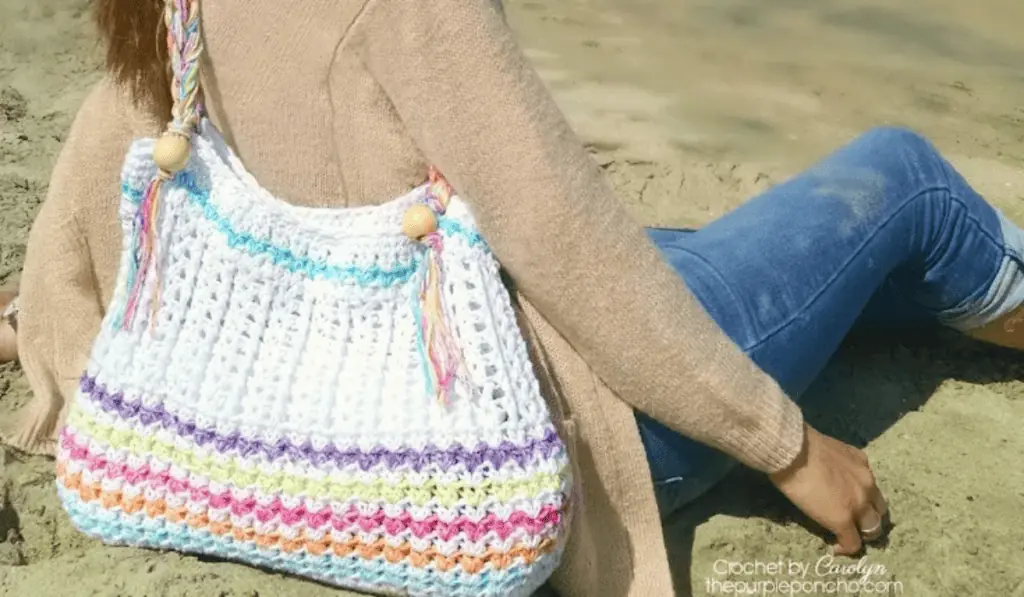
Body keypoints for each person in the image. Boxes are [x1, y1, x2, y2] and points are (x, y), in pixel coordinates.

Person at [0, 0, 1022, 595]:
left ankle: (909, 293)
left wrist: (42, 327)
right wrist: (784, 447)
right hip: (508, 426)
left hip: (288, 408)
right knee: (907, 177)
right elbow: (563, 241)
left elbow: (112, 154)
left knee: (716, 249)